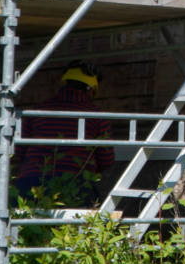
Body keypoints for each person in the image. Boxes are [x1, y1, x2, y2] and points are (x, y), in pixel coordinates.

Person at [14, 61, 114, 204]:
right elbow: (106, 159)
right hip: (75, 184)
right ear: (91, 89)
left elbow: (19, 152)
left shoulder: (37, 110)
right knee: (84, 223)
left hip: (29, 183)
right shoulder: (97, 115)